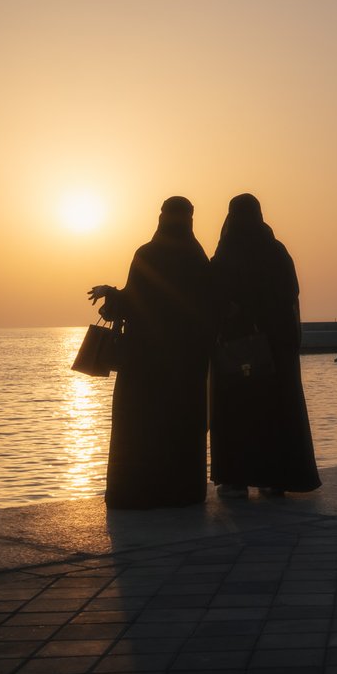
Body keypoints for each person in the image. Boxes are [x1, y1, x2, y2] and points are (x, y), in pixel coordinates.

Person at [89, 196, 212, 509]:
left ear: (161, 218)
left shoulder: (147, 254)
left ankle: (137, 491)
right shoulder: (197, 258)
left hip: (144, 361)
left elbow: (134, 302)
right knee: (181, 424)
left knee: (140, 426)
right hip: (186, 363)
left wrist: (110, 294)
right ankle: (182, 492)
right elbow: (208, 308)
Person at [209, 193, 320, 496]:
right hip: (275, 352)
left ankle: (236, 479)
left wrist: (238, 313)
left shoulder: (226, 253)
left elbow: (212, 296)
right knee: (273, 414)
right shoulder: (276, 251)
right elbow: (288, 296)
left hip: (235, 354)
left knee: (238, 415)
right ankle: (274, 478)